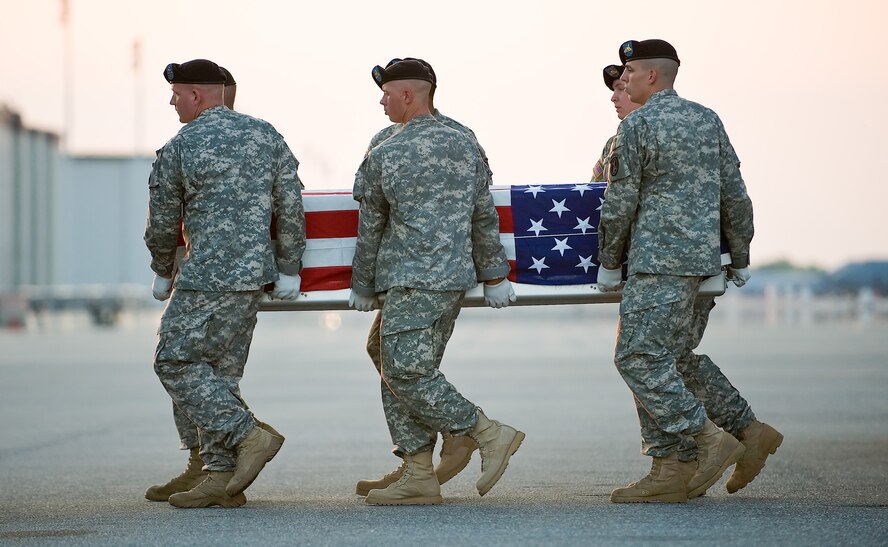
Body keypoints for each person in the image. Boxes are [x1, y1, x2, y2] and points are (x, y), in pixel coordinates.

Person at [596, 39, 782, 503]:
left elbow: (619, 203)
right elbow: (735, 193)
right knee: (673, 358)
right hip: (703, 264)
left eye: (630, 72)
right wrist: (739, 255)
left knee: (638, 358)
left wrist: (608, 261)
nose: (624, 80)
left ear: (651, 76)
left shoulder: (637, 125)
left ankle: (701, 443)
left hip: (658, 262)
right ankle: (747, 431)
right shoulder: (707, 119)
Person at [349, 58, 524, 505]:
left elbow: (372, 224)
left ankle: (482, 431)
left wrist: (362, 283)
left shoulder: (385, 149)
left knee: (405, 370)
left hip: (410, 277)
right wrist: (493, 273)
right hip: (450, 279)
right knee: (386, 356)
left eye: (386, 93)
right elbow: (483, 214)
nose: (381, 100)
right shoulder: (464, 140)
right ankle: (417, 467)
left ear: (409, 95)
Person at [144, 58, 306, 508]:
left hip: (206, 275)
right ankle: (218, 476)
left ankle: (247, 435)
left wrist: (162, 269)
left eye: (177, 94)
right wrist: (289, 266)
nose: (172, 101)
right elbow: (290, 207)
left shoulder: (182, 144)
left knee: (174, 360)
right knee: (217, 374)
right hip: (254, 275)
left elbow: (163, 221)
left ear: (197, 95)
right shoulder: (266, 135)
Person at [591, 64, 642, 182]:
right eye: (614, 90)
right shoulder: (612, 144)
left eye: (621, 88)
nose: (613, 97)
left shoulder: (671, 134)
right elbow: (593, 192)